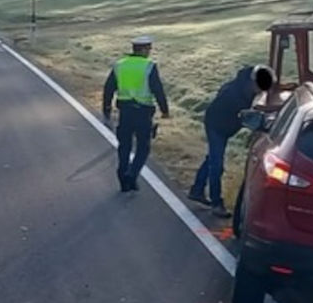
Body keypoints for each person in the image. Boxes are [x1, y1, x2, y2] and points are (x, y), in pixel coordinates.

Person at [188, 65, 275, 218]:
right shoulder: (233, 95)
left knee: (212, 159)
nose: (261, 92)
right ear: (252, 82)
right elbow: (252, 112)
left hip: (224, 126)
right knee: (217, 165)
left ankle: (197, 190)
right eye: (260, 88)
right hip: (216, 126)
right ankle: (216, 203)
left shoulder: (245, 85)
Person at [102, 36, 170, 192]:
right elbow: (157, 89)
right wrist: (165, 110)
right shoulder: (149, 66)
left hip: (125, 112)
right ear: (144, 49)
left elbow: (109, 88)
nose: (150, 52)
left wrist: (106, 107)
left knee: (124, 145)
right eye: (149, 49)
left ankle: (122, 172)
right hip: (143, 112)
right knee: (143, 147)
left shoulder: (120, 65)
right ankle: (132, 174)